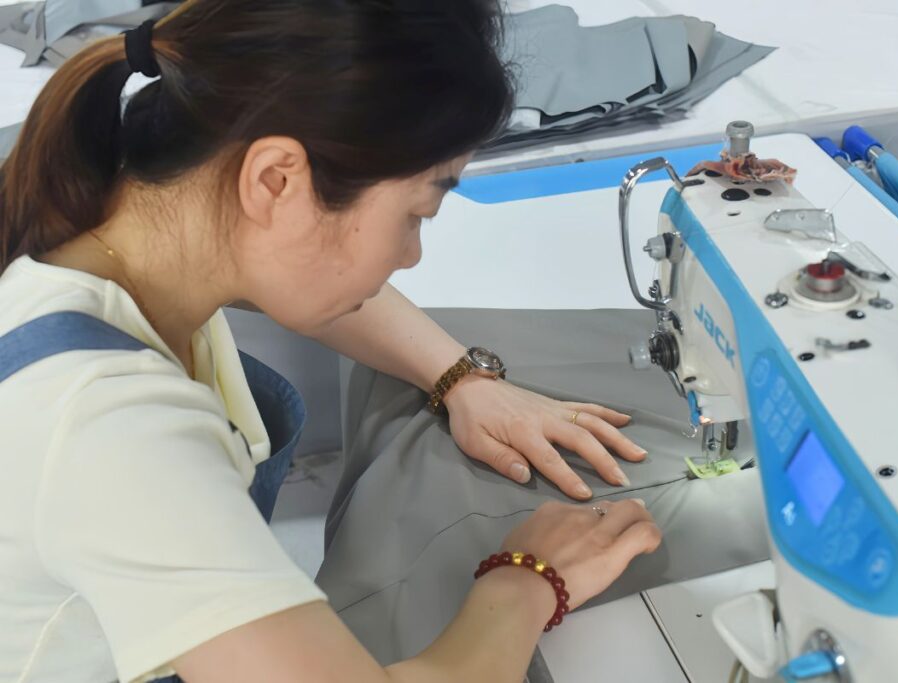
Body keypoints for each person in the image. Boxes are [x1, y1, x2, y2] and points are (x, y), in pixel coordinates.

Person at [0, 1, 663, 681]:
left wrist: (459, 377)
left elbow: (299, 264)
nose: (410, 256)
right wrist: (528, 577)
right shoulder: (108, 424)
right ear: (276, 180)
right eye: (415, 214)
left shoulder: (122, 212)